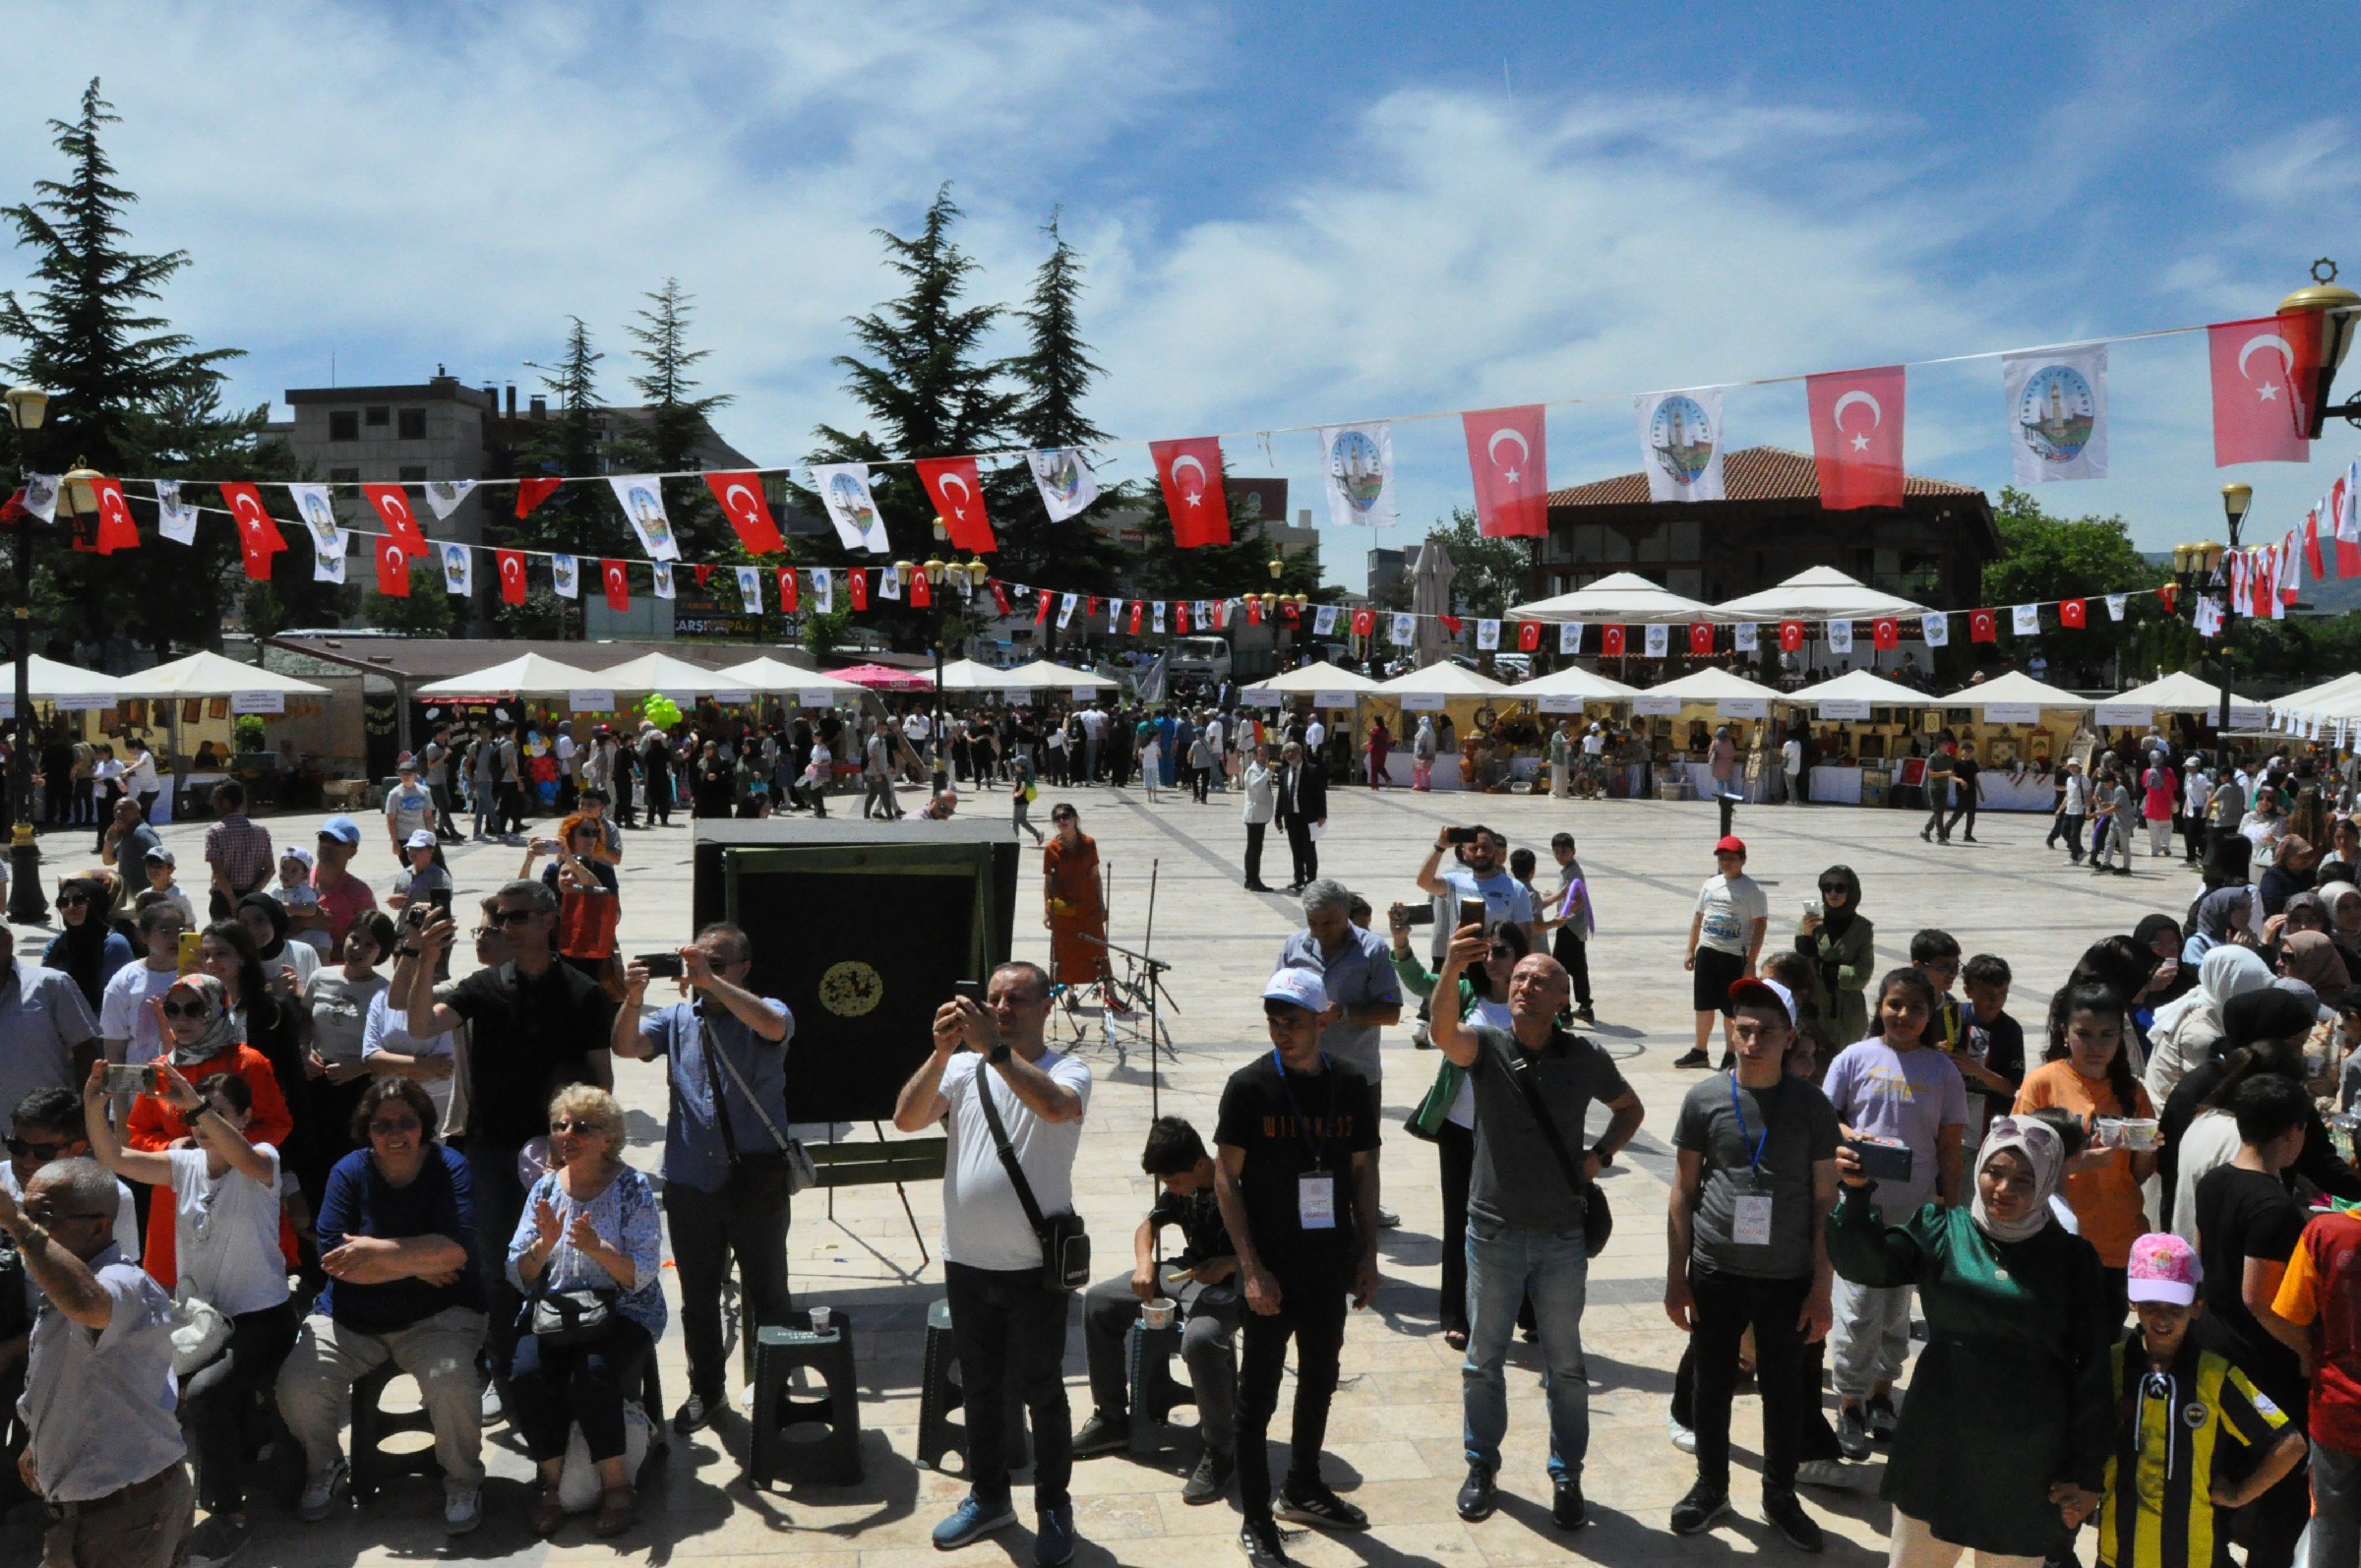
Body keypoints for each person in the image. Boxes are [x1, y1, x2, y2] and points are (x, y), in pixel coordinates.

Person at [1826, 1116, 2115, 1568]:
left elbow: (2094, 1368)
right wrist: (1857, 1194)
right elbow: (1866, 1264)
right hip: (1939, 1441)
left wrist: (2086, 1470)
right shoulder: (1941, 1229)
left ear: (2045, 1182)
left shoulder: (2072, 1260)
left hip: (2027, 1458)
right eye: (1994, 1172)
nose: (2004, 1188)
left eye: (2024, 1179)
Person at [1432, 923, 1643, 1532]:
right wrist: (1450, 968)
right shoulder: (1488, 1045)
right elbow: (1443, 1032)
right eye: (1520, 976)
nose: (1525, 985)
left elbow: (1631, 1108)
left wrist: (1599, 1156)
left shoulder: (1586, 1057)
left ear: (1562, 998)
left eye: (1540, 980)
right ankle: (1481, 1466)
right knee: (1483, 1359)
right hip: (1493, 1230)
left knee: (1566, 1365)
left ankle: (1567, 1474)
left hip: (1559, 1236)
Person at [892, 960, 1090, 1565]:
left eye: (1017, 1000)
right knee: (978, 1387)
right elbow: (905, 1118)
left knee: (1042, 1389)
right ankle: (989, 1496)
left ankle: (1054, 1507)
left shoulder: (1068, 1068)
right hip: (969, 1261)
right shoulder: (960, 1066)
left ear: (1045, 1007)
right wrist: (939, 1052)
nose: (1002, 1009)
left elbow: (1055, 1108)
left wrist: (995, 1051)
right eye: (995, 999)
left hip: (1034, 1267)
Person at [399, 883, 615, 1380]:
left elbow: (601, 1081)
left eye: (517, 918)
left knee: (564, 1258)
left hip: (563, 1154)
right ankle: (504, 1368)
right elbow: (418, 1024)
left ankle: (561, 1363)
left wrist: (586, 1146)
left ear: (547, 921)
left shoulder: (583, 992)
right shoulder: (484, 985)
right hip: (492, 1149)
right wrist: (425, 956)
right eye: (500, 919)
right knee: (499, 1264)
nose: (505, 928)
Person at [84, 1058, 291, 1568]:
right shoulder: (185, 1165)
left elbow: (246, 1159)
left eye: (217, 1115)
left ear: (244, 1118)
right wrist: (96, 1103)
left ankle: (228, 1517)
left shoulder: (262, 1156)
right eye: (195, 1118)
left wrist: (194, 1104)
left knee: (204, 1395)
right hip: (201, 1318)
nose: (200, 1126)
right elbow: (112, 1157)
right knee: (138, 1379)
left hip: (263, 1319)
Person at [1664, 976, 1840, 1549]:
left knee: (1784, 1393)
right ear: (1731, 1031)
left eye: (1767, 1030)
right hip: (1716, 1269)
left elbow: (1823, 1200)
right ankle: (1711, 1487)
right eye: (1743, 1028)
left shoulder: (1811, 1106)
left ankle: (1779, 1496)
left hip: (1787, 1276)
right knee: (1711, 1386)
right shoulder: (1705, 1099)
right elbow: (1684, 1189)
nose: (1753, 1040)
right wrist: (1675, 1277)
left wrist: (1821, 1288)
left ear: (1790, 1038)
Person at [1213, 969, 1380, 1568]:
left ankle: (1304, 1486)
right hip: (1271, 1268)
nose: (1282, 1033)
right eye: (1274, 1022)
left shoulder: (1353, 1083)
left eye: (1293, 1022)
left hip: (1327, 1263)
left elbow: (1362, 1172)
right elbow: (1225, 1179)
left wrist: (1367, 1254)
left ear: (1323, 1020)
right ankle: (1256, 1518)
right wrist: (1250, 1267)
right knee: (1255, 1398)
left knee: (1319, 1380)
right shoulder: (1250, 1087)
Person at [274, 1078, 487, 1534]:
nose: (395, 1134)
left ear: (424, 1126)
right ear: (366, 1130)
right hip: (352, 1317)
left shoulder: (451, 1167)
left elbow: (456, 1252)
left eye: (406, 1122)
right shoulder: (348, 1172)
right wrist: (415, 1262)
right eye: (382, 1124)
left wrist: (373, 1249)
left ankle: (464, 1479)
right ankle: (326, 1464)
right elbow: (335, 1261)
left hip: (438, 1317)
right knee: (297, 1383)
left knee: (453, 1381)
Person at [609, 924, 794, 1432]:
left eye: (718, 961)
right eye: (698, 961)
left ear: (743, 968)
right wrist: (633, 998)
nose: (702, 970)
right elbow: (625, 1047)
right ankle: (706, 1390)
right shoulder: (675, 1018)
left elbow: (773, 1027)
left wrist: (712, 983)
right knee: (698, 1298)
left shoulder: (767, 1008)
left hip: (755, 1179)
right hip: (692, 1179)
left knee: (768, 1291)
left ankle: (772, 1384)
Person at [1, 1157, 192, 1568]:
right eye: (27, 1211)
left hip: (128, 1517)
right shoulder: (61, 1277)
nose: (33, 1225)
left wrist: (17, 1224)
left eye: (44, 1216)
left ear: (98, 1225)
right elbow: (71, 1380)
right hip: (88, 1512)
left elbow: (88, 1303)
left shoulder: (124, 1283)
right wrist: (41, 1444)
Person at [2079, 1232, 2307, 1568]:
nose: (2162, 1319)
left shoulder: (2215, 1375)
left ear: (2197, 1307)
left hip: (2196, 1557)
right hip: (2117, 1554)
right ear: (2132, 1301)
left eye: (2175, 1308)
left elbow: (2290, 1443)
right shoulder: (2110, 1366)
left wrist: (2239, 1493)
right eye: (2151, 1306)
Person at [1822, 967, 1968, 1460]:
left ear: (1932, 1015)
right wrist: (1849, 1137)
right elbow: (1826, 1118)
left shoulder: (1942, 1071)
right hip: (1859, 1207)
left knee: (1896, 1306)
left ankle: (1883, 1393)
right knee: (1857, 1305)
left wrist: (1951, 1204)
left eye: (1917, 1008)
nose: (1904, 1015)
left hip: (1914, 1212)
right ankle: (1849, 1402)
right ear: (1879, 1005)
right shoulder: (1855, 1057)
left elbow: (1950, 1144)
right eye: (1895, 1004)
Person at [507, 1085, 663, 1538]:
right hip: (556, 1309)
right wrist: (545, 1245)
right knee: (526, 1372)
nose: (566, 1135)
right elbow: (519, 1271)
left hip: (624, 1308)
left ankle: (617, 1488)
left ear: (608, 1138)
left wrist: (600, 1249)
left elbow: (643, 1272)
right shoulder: (544, 1187)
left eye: (581, 1127)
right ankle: (552, 1487)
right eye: (560, 1126)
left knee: (591, 1374)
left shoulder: (632, 1187)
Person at [1072, 1116, 1243, 1503]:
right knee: (1099, 1302)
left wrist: (1230, 1264)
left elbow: (1274, 1248)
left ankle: (1221, 1450)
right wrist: (1144, 1263)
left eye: (1174, 1181)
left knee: (1200, 1340)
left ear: (1200, 1164)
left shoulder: (1235, 1183)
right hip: (1187, 1270)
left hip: (1232, 1282)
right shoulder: (1182, 1190)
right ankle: (1112, 1417)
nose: (1172, 1190)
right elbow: (1147, 1225)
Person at [2181, 1077, 2315, 1568]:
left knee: (2216, 1469)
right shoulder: (2273, 1207)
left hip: (2212, 1343)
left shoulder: (2215, 1180)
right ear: (2292, 1132)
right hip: (2260, 1363)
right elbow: (2259, 1299)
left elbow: (2200, 1255)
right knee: (2283, 1485)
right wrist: (2306, 1351)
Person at [1396, 912, 1527, 1347]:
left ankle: (1528, 1310)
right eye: (1485, 951)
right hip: (1458, 1129)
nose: (1492, 959)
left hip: (1510, 1136)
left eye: (1502, 951)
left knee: (1518, 1221)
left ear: (1520, 956)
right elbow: (1420, 983)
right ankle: (1457, 1312)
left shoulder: (1531, 1002)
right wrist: (1403, 946)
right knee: (1459, 1221)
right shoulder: (1466, 991)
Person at [2015, 984, 2158, 1321]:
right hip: (2056, 1239)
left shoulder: (2132, 1092)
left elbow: (2137, 1175)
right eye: (2085, 1034)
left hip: (2116, 1241)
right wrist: (2080, 1161)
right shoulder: (2042, 1083)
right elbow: (2019, 1159)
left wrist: (2147, 1148)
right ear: (2065, 1031)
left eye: (2107, 1035)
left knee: (2103, 1348)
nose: (2096, 1046)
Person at [296, 910, 396, 1214]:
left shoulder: (384, 992)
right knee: (312, 1158)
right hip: (316, 1081)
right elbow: (304, 1021)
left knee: (353, 1159)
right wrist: (304, 1051)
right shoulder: (321, 977)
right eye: (355, 938)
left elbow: (390, 1048)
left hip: (359, 1089)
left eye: (370, 945)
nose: (358, 949)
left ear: (381, 952)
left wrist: (359, 1067)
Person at [1276, 878, 1403, 1109]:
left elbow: (1391, 1011)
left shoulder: (1373, 951)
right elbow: (1276, 1004)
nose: (1320, 931)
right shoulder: (1293, 948)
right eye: (1313, 922)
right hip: (1300, 1074)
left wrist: (1342, 1012)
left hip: (1356, 1077)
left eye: (1329, 922)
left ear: (1347, 912)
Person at [0, 924, 102, 1137]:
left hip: (46, 1130)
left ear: (8, 941)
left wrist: (85, 1117)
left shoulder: (50, 985)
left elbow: (86, 1052)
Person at [1678, 835, 1768, 1069]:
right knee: (1703, 1005)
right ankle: (1700, 1050)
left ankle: (1730, 1052)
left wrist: (1751, 962)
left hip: (1734, 956)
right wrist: (1691, 949)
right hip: (1708, 952)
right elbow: (1698, 918)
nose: (1725, 862)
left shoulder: (1752, 889)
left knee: (1731, 1010)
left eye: (1731, 858)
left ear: (1743, 860)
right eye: (1722, 858)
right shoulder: (1710, 884)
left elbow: (1760, 925)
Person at [523, 815, 621, 982]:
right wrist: (528, 861)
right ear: (569, 836)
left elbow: (615, 915)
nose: (591, 838)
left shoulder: (604, 871)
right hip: (557, 946)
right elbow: (526, 898)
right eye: (585, 832)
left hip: (592, 948)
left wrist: (571, 861)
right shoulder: (554, 870)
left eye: (595, 833)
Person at [1796, 864, 1873, 1048]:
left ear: (1851, 891)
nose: (1833, 893)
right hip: (1814, 1006)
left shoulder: (1862, 927)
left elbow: (1863, 974)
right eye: (1827, 888)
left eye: (1840, 888)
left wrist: (1827, 970)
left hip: (1848, 1012)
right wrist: (1806, 936)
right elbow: (1799, 965)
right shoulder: (1812, 917)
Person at [1043, 804, 1109, 998]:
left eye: (1066, 816)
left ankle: (1109, 993)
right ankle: (1071, 993)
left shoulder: (1089, 843)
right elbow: (1048, 882)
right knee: (1067, 951)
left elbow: (1095, 876)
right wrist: (1047, 910)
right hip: (1065, 908)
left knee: (1097, 948)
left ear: (1075, 818)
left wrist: (1102, 904)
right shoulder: (1051, 848)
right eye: (1057, 818)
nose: (1062, 821)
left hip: (1088, 905)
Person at [43, 874, 134, 1014]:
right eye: (64, 902)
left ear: (96, 902)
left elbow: (115, 1001)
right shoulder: (55, 944)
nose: (71, 907)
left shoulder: (114, 944)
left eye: (79, 900)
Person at [304, 816, 379, 958]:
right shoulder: (297, 882)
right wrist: (302, 922)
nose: (326, 845)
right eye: (323, 837)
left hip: (337, 975)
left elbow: (371, 946)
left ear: (352, 851)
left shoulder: (360, 893)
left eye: (336, 841)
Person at [1544, 833, 1598, 1023]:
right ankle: (1585, 1007)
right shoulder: (1569, 869)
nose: (1560, 855)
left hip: (1570, 927)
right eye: (1556, 852)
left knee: (1561, 968)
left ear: (1573, 852)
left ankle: (1564, 1011)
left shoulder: (1573, 872)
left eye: (1564, 851)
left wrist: (1564, 914)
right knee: (1579, 967)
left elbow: (1578, 899)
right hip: (1577, 927)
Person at [202, 782, 273, 924]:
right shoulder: (261, 831)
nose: (213, 804)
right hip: (251, 897)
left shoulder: (215, 832)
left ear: (226, 802)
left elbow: (218, 873)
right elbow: (270, 869)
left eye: (216, 800)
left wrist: (233, 901)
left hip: (224, 900)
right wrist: (254, 893)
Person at [1275, 741, 1327, 894]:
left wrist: (1322, 814)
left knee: (1309, 849)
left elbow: (1320, 793)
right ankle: (1298, 878)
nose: (1290, 754)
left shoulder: (1312, 770)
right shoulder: (1284, 773)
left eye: (1293, 751)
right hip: (1291, 817)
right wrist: (1278, 817)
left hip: (1308, 817)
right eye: (1287, 752)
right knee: (1296, 849)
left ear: (1300, 753)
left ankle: (1311, 879)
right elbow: (1281, 797)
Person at [384, 755, 437, 862]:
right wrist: (395, 842)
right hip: (404, 838)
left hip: (422, 837)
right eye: (403, 774)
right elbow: (391, 819)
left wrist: (432, 837)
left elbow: (428, 817)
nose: (406, 776)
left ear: (415, 775)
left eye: (409, 774)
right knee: (410, 869)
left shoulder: (424, 792)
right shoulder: (394, 794)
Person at [1241, 743, 1276, 891]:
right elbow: (1256, 785)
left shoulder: (1261, 769)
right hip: (1255, 815)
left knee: (1254, 848)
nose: (1264, 758)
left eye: (1266, 755)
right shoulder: (1253, 770)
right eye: (1261, 755)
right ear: (1255, 756)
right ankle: (1254, 880)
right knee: (1254, 849)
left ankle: (1250, 879)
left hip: (1260, 815)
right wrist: (1268, 772)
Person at [140, 846, 198, 930]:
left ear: (171, 870)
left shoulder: (179, 897)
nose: (152, 870)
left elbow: (190, 929)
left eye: (158, 866)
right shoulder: (142, 896)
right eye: (149, 865)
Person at [1944, 741, 1985, 843]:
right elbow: (1952, 776)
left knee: (1971, 815)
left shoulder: (1973, 764)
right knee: (1958, 813)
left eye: (1970, 752)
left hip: (1972, 792)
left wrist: (1980, 792)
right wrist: (1961, 781)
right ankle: (1948, 826)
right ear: (1962, 752)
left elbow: (1975, 779)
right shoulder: (1957, 763)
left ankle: (1968, 834)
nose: (1967, 753)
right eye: (1965, 751)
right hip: (1962, 792)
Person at [2055, 758, 2090, 864]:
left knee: (2075, 834)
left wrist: (2088, 809)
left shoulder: (2084, 780)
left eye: (2075, 766)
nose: (2072, 768)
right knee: (2064, 832)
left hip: (2079, 811)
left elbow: (2089, 795)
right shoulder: (2069, 779)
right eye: (2070, 766)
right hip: (2069, 810)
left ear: (2079, 767)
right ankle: (2080, 850)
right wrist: (2060, 809)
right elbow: (2067, 796)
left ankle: (2074, 857)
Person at [1920, 743, 1957, 844]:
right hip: (1934, 788)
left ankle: (1926, 830)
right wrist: (1945, 773)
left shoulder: (1948, 757)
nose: (1947, 747)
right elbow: (1930, 774)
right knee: (1938, 812)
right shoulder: (1933, 757)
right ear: (1939, 747)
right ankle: (1941, 837)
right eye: (1945, 745)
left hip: (1944, 787)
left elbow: (1951, 769)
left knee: (1939, 811)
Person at [1412, 713, 1437, 792]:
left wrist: (1418, 752)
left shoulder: (1422, 730)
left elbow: (1420, 741)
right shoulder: (1431, 731)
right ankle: (1427, 785)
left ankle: (1418, 785)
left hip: (1421, 753)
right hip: (1430, 754)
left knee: (1417, 770)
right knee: (1427, 771)